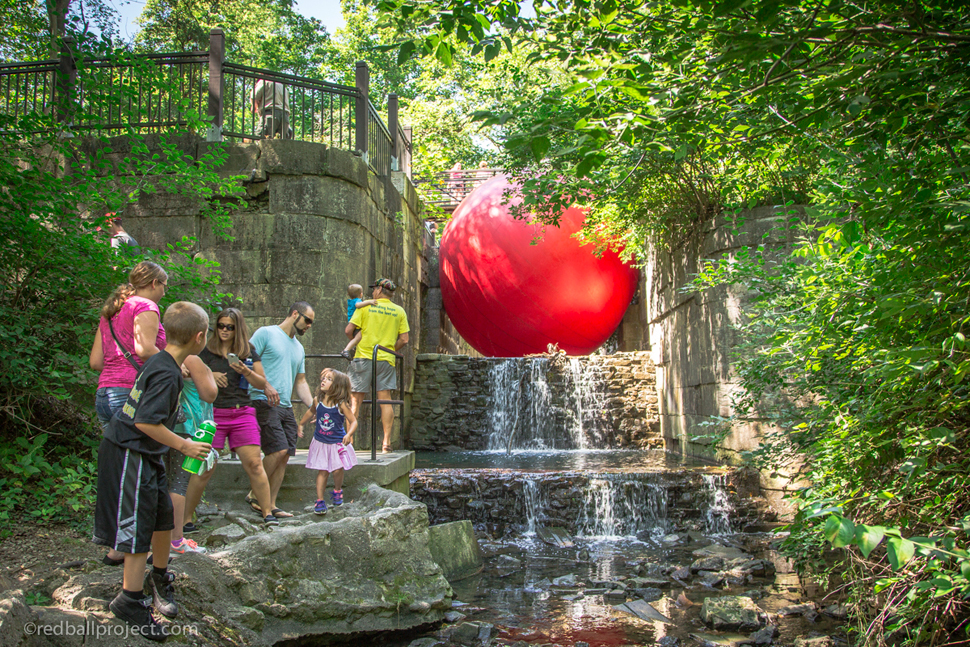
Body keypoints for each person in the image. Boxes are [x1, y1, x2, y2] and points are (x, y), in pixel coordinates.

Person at [93, 301, 212, 642]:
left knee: (161, 515)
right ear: (199, 338)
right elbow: (145, 420)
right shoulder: (166, 371)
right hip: (130, 451)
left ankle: (159, 576)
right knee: (137, 525)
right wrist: (184, 446)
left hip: (148, 454)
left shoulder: (161, 361)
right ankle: (129, 600)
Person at [89, 261, 169, 566]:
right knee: (138, 475)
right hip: (130, 395)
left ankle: (116, 546)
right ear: (153, 283)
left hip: (104, 394)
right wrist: (176, 364)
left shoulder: (111, 310)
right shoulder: (145, 305)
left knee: (118, 472)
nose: (164, 291)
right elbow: (145, 348)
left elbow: (96, 360)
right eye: (164, 285)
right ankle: (134, 545)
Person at [187, 308, 278, 526]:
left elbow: (261, 383)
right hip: (214, 413)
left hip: (242, 411)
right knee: (205, 467)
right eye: (221, 326)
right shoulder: (206, 351)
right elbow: (186, 370)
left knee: (255, 464)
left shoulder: (248, 351)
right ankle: (185, 519)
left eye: (230, 327)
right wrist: (210, 374)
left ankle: (268, 513)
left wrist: (245, 371)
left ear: (238, 329)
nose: (225, 331)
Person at [246, 302, 314, 518]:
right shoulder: (266, 333)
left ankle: (271, 504)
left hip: (284, 404)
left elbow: (301, 382)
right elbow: (245, 361)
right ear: (295, 314)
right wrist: (264, 385)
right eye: (307, 320)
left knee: (286, 454)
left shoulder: (299, 348)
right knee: (278, 449)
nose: (309, 326)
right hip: (262, 400)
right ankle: (255, 493)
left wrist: (315, 407)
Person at [345, 278, 409, 453]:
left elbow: (348, 330)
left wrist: (355, 343)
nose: (372, 292)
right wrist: (389, 350)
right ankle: (386, 442)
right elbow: (404, 339)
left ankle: (349, 440)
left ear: (380, 290)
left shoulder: (366, 307)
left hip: (363, 357)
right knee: (385, 400)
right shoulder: (399, 311)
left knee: (355, 400)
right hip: (386, 360)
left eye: (374, 289)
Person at [297, 369, 357, 515]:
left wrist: (349, 434)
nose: (323, 380)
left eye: (329, 379)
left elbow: (353, 421)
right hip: (321, 442)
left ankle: (337, 491)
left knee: (337, 470)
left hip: (337, 443)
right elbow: (310, 412)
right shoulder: (317, 400)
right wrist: (301, 424)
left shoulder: (340, 404)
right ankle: (319, 500)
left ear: (337, 386)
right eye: (323, 378)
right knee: (322, 471)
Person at [340, 283, 377, 361]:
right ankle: (346, 350)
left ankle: (354, 348)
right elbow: (358, 305)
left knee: (358, 338)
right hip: (355, 322)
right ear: (361, 294)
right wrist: (370, 302)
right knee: (358, 337)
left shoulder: (350, 301)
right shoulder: (357, 301)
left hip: (353, 321)